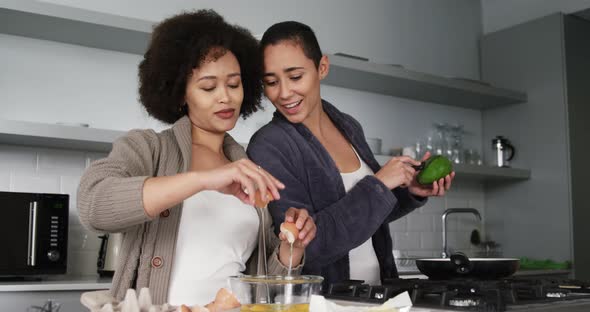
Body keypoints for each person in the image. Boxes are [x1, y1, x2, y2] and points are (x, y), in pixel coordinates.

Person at [77, 11, 316, 306]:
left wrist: (290, 249)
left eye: (233, 84)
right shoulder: (148, 149)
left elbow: (262, 282)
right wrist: (201, 179)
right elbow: (93, 206)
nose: (225, 97)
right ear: (180, 94)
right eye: (208, 87)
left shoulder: (249, 167)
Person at [247, 21, 454, 286]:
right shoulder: (269, 145)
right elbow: (306, 247)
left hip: (378, 294)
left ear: (322, 67)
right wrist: (379, 184)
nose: (284, 92)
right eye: (271, 82)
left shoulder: (347, 125)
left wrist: (410, 192)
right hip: (326, 301)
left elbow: (372, 216)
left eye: (296, 76)